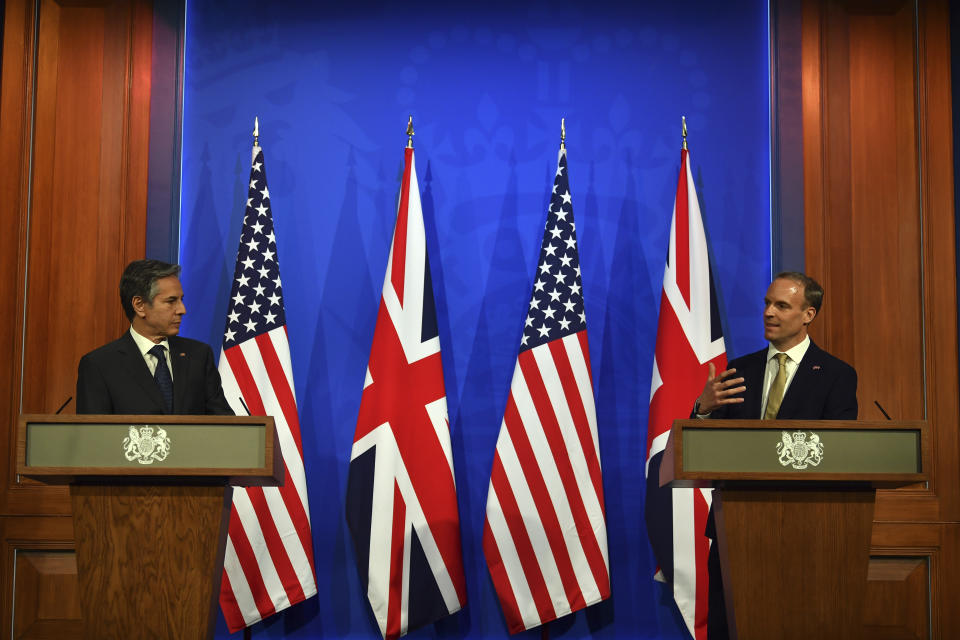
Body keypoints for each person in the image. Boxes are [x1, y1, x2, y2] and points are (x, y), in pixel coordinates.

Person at [694, 271, 858, 639]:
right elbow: (703, 446)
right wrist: (703, 409)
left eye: (782, 305)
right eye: (767, 303)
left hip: (803, 527)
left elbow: (841, 452)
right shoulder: (739, 370)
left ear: (808, 315)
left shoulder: (836, 375)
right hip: (733, 524)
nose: (769, 312)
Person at [76, 259, 233, 415]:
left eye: (181, 300)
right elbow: (94, 436)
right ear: (139, 305)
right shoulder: (100, 365)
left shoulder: (199, 355)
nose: (182, 309)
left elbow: (224, 425)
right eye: (171, 301)